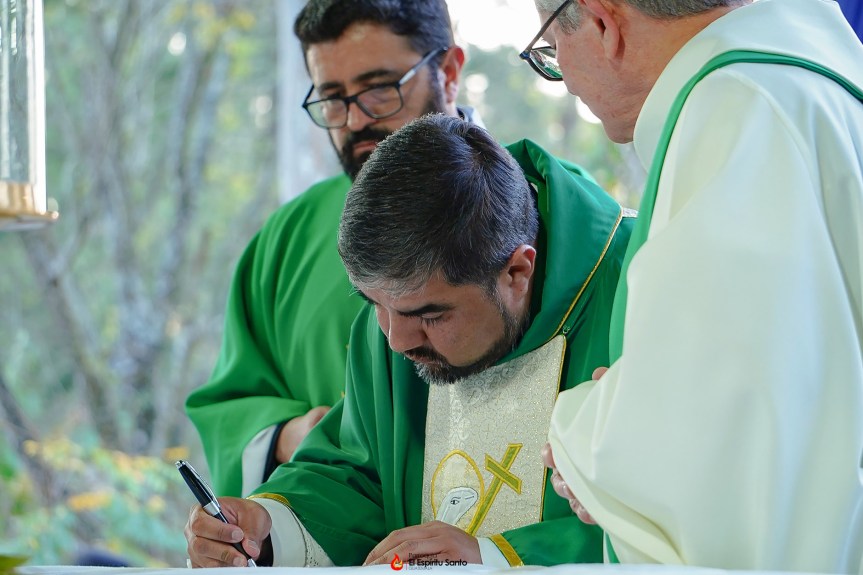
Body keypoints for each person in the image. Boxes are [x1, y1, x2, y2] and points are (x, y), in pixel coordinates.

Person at [183, 114, 636, 568]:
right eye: (373, 304)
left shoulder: (643, 288)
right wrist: (267, 525)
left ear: (517, 272)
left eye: (430, 315)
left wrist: (496, 559)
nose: (396, 341)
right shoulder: (395, 315)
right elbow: (361, 475)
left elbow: (680, 508)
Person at [520, 0, 863, 571]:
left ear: (604, 24)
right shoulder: (810, 82)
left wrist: (579, 438)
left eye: (553, 53)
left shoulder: (736, 111)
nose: (567, 82)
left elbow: (721, 448)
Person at [184, 0, 479, 498]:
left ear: (447, 72)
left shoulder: (539, 206)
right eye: (333, 97)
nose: (356, 120)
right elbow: (230, 406)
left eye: (380, 89)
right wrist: (286, 436)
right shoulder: (287, 238)